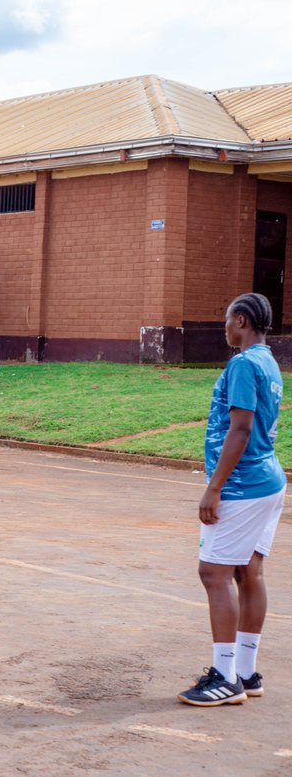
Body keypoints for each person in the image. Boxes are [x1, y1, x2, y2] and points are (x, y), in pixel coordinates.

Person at [178, 293, 285, 707]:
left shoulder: (242, 363)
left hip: (242, 485)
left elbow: (240, 430)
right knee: (249, 570)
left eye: (226, 320)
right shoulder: (268, 361)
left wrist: (214, 486)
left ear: (240, 321)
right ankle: (246, 670)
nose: (224, 328)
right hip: (268, 480)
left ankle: (224, 678)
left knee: (214, 574)